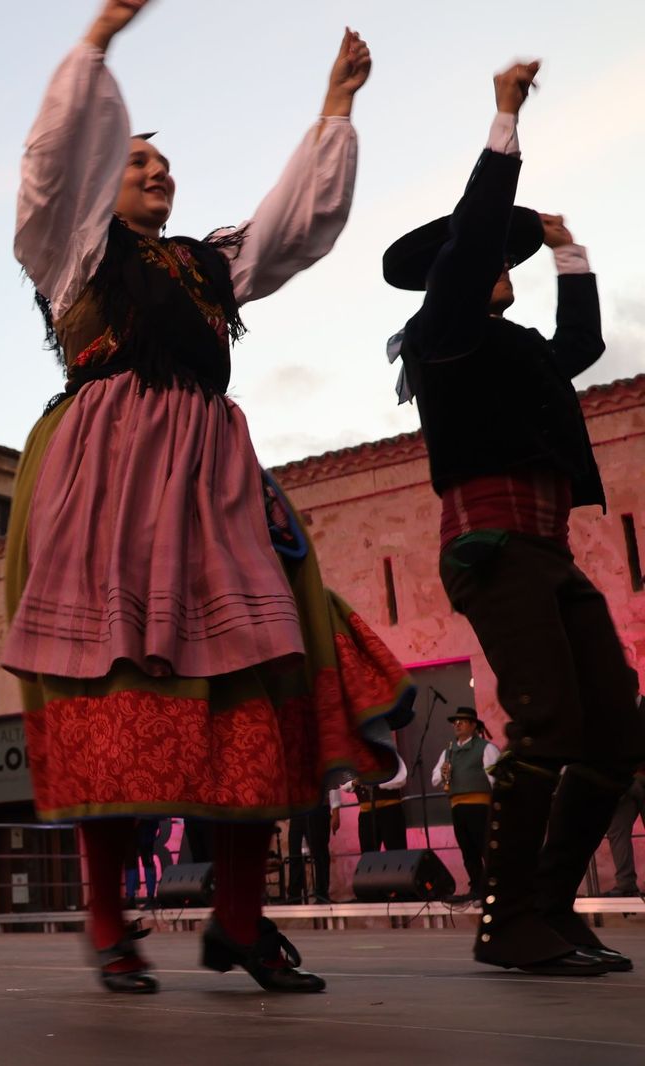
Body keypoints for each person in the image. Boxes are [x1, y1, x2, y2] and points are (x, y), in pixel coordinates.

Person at [4, 2, 411, 996]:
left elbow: (292, 227)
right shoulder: (72, 252)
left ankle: (238, 918)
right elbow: (53, 166)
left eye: (162, 165)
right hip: (107, 474)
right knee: (114, 686)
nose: (156, 171)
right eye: (137, 161)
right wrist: (93, 48)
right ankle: (108, 918)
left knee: (253, 683)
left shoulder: (204, 264)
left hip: (212, 477)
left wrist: (333, 109)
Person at [383, 56, 645, 976]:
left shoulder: (516, 349)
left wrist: (570, 250)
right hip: (492, 548)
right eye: (491, 255)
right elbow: (469, 245)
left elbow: (582, 343)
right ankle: (509, 924)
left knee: (616, 729)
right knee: (546, 725)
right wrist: (504, 116)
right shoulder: (441, 333)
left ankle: (552, 907)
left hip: (549, 550)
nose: (503, 267)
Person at [429, 709, 499, 902]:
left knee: (486, 848)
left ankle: (497, 887)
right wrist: (444, 774)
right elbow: (435, 779)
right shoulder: (448, 752)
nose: (457, 725)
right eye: (455, 722)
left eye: (462, 721)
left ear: (473, 725)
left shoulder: (485, 748)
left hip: (480, 807)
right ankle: (477, 887)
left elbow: (496, 779)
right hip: (457, 806)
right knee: (468, 850)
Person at [344, 739, 409, 854]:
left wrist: (377, 779)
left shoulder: (388, 752)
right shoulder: (354, 757)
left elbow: (401, 778)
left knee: (397, 854)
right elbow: (344, 783)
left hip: (390, 811)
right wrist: (354, 782)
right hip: (366, 814)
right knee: (368, 857)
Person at [286, 791, 341, 903]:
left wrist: (335, 812)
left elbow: (332, 785)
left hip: (318, 807)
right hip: (298, 809)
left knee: (319, 852)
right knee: (294, 852)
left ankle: (322, 893)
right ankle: (294, 895)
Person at [603, 767, 645, 897]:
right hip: (629, 779)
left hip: (625, 779)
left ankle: (625, 883)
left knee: (618, 833)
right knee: (618, 832)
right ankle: (625, 884)